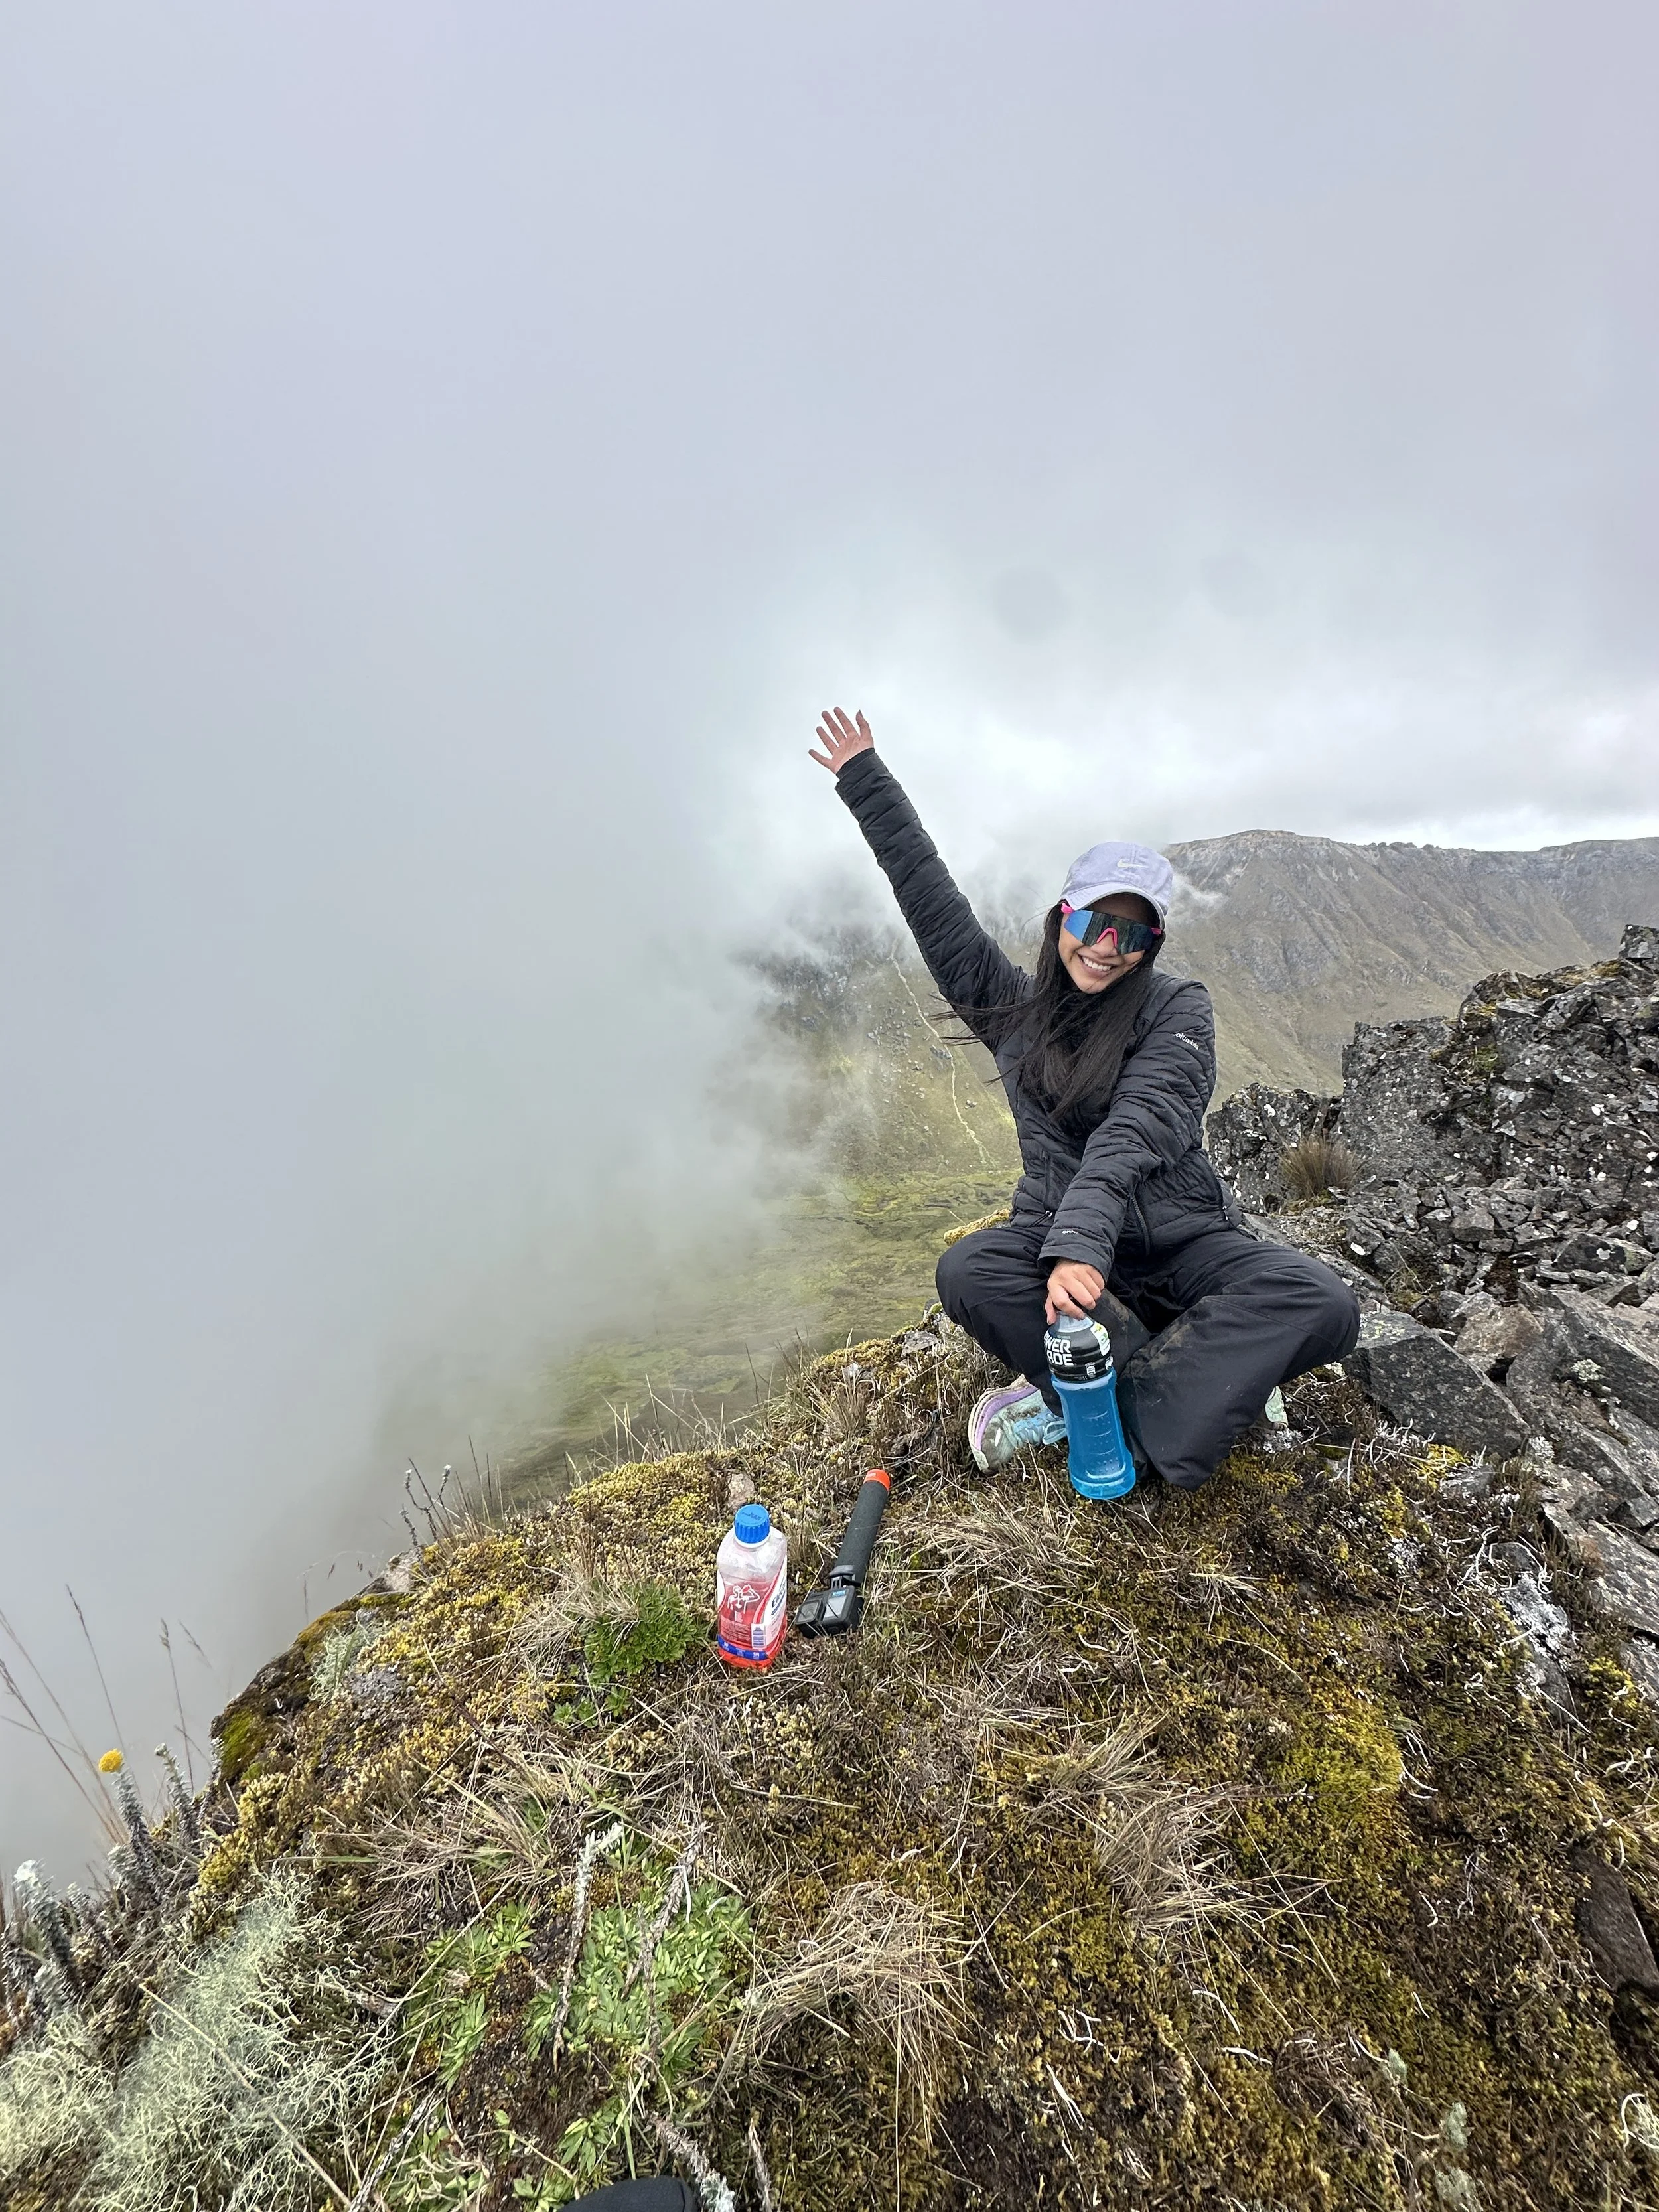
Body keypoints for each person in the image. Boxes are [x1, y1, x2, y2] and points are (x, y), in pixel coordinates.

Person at [810, 707, 1361, 1490]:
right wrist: (866, 779)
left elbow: (1136, 1133)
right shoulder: (1009, 1011)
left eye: (1132, 936)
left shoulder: (1178, 1009)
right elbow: (931, 904)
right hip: (1062, 1249)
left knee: (1323, 1302)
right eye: (1098, 920)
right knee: (969, 1271)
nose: (1109, 946)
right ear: (1063, 916)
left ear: (1150, 949)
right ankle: (1200, 1395)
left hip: (1181, 1242)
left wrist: (1083, 1243)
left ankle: (1092, 1403)